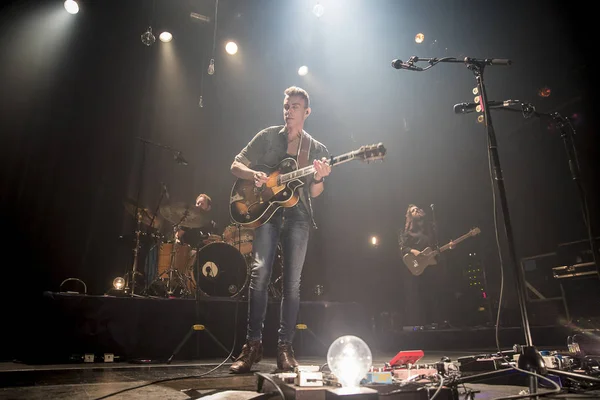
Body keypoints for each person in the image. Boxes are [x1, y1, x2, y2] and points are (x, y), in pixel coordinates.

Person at [229, 86, 331, 373]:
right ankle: (252, 347)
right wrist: (254, 175)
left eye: (295, 107)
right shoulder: (266, 137)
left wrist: (320, 177)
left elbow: (316, 191)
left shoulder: (316, 149)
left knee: (292, 284)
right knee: (258, 277)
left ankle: (285, 348)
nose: (289, 111)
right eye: (286, 106)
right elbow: (235, 165)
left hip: (298, 217)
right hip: (266, 215)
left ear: (306, 112)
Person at [398, 204, 448, 326]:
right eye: (413, 211)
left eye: (417, 209)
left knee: (435, 293)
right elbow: (403, 248)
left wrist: (448, 246)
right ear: (410, 216)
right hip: (417, 266)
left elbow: (436, 245)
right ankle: (424, 323)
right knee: (421, 296)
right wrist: (414, 251)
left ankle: (439, 322)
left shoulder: (430, 228)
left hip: (432, 265)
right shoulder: (407, 232)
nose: (417, 211)